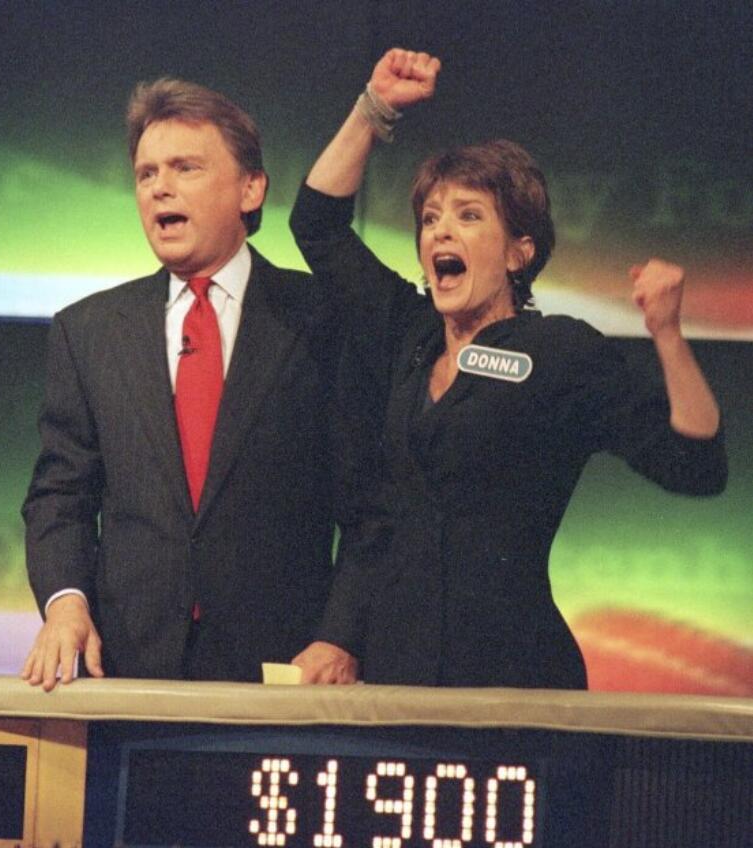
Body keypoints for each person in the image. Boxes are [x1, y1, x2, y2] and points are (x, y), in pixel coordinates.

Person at [289, 49, 727, 689]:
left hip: (516, 674)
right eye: (431, 218)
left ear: (520, 252)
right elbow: (318, 226)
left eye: (469, 216)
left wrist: (667, 333)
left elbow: (696, 464)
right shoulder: (408, 332)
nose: (441, 233)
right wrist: (374, 109)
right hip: (396, 673)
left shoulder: (561, 353)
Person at [21, 79, 340, 688]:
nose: (159, 187)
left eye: (185, 168)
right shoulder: (87, 331)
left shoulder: (321, 318)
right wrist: (65, 603)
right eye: (146, 174)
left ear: (251, 189)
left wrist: (339, 636)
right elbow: (59, 495)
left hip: (286, 668)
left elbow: (369, 501)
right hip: (128, 667)